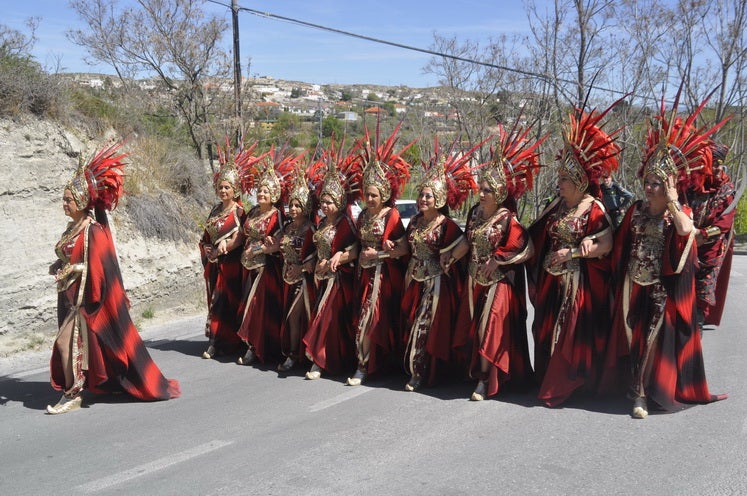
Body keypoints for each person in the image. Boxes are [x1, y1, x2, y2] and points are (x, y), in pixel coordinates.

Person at [604, 102, 729, 418]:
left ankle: (641, 395)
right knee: (632, 336)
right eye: (647, 181)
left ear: (670, 184)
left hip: (662, 288)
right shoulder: (636, 210)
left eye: (656, 183)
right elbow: (620, 243)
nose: (648, 187)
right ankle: (633, 386)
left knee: (650, 339)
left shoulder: (679, 213)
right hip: (633, 283)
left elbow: (688, 231)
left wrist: (673, 201)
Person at [47, 142, 179, 415]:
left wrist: (74, 270)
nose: (64, 204)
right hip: (68, 295)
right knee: (76, 346)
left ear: (82, 202)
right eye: (64, 199)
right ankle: (79, 387)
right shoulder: (73, 228)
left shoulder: (93, 230)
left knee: (67, 344)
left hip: (84, 299)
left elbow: (100, 271)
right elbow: (69, 257)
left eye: (68, 200)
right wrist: (59, 265)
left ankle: (73, 394)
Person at [526, 104, 621, 407]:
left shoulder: (595, 208)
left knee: (571, 332)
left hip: (580, 286)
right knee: (547, 328)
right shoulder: (558, 207)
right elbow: (537, 232)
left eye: (564, 181)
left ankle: (568, 385)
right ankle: (550, 380)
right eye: (559, 180)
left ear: (580, 181)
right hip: (553, 284)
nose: (559, 185)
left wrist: (573, 253)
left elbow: (606, 243)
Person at [453, 126, 543, 401]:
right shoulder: (474, 213)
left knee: (490, 327)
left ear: (501, 192)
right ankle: (479, 374)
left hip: (498, 284)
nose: (482, 194)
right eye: (481, 189)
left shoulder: (507, 218)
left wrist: (498, 260)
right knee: (475, 326)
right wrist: (451, 256)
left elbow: (524, 248)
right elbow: (467, 242)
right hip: (474, 280)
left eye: (488, 190)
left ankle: (485, 380)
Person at [388, 138, 479, 391]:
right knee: (411, 321)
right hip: (414, 279)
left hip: (436, 285)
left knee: (426, 326)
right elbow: (407, 246)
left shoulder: (445, 224)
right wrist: (393, 249)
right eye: (421, 194)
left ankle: (420, 372)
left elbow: (465, 243)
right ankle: (415, 368)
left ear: (438, 198)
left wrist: (448, 259)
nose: (422, 199)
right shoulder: (415, 221)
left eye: (428, 195)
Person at [346, 127, 412, 386]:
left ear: (384, 194)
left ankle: (366, 365)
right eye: (367, 194)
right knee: (362, 316)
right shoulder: (362, 216)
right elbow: (357, 245)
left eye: (374, 195)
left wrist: (379, 254)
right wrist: (346, 254)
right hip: (363, 275)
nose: (369, 198)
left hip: (383, 278)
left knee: (372, 318)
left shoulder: (391, 215)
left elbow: (403, 248)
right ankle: (365, 361)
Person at [303, 149, 359, 380]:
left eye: (329, 201)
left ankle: (319, 361)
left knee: (327, 320)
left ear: (339, 201)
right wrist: (314, 264)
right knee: (323, 318)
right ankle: (327, 359)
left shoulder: (345, 223)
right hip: (321, 278)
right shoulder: (322, 223)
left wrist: (338, 258)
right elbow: (315, 248)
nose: (325, 205)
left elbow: (354, 249)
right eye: (323, 201)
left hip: (338, 281)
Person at [235, 150, 289, 366]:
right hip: (248, 267)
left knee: (260, 308)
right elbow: (243, 234)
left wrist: (256, 250)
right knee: (248, 304)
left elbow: (277, 243)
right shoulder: (253, 211)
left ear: (274, 193)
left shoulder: (277, 215)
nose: (261, 194)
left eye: (266, 191)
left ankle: (259, 348)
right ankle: (251, 346)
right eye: (259, 191)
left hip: (267, 269)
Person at [199, 142, 246, 359]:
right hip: (215, 264)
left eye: (227, 187)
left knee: (227, 302)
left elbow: (241, 237)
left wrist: (226, 247)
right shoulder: (215, 209)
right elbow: (206, 236)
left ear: (234, 189)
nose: (223, 190)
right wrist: (207, 248)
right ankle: (216, 341)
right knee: (215, 301)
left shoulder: (239, 212)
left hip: (231, 265)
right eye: (221, 187)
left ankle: (223, 342)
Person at [685, 142, 737, 331]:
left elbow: (724, 223)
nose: (716, 168)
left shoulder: (726, 189)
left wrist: (704, 234)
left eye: (719, 163)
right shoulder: (692, 186)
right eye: (712, 163)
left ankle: (698, 322)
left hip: (713, 246)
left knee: (703, 285)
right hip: (688, 240)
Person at [275, 164, 317, 372]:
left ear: (306, 207)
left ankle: (295, 355)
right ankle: (298, 353)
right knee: (290, 317)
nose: (293, 209)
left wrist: (300, 269)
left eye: (298, 206)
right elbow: (276, 245)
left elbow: (316, 256)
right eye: (291, 205)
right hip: (286, 278)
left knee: (296, 316)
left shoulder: (311, 229)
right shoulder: (287, 227)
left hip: (303, 280)